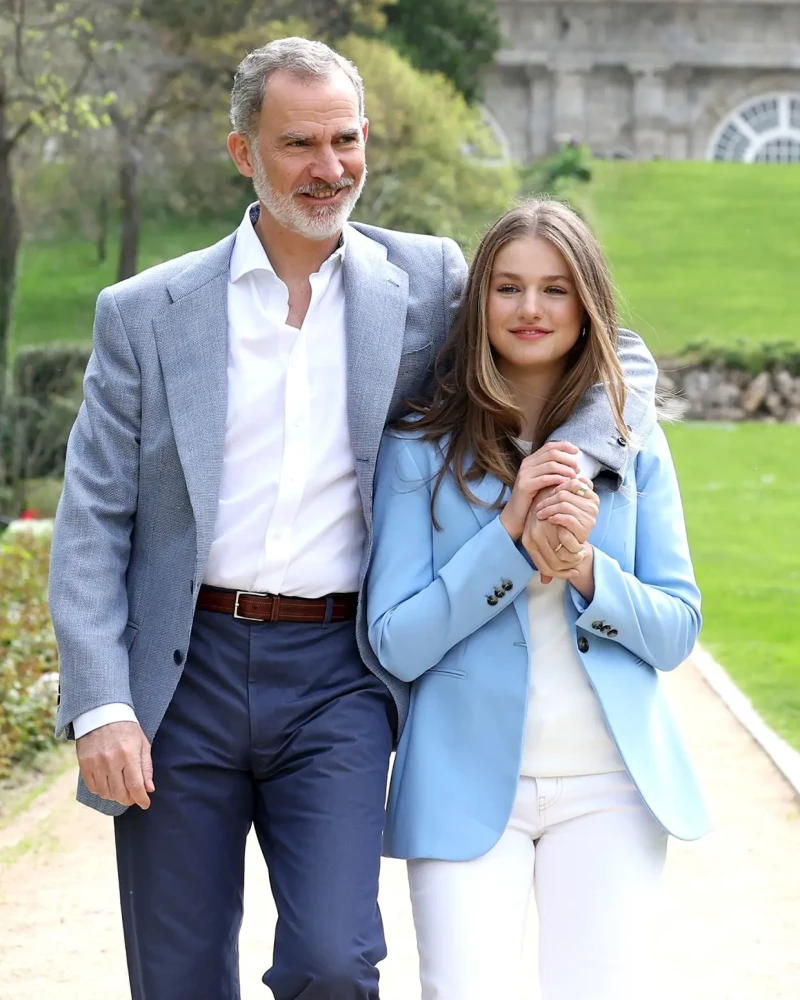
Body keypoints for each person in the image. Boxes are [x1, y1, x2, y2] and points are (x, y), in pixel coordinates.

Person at [49, 36, 659, 1000]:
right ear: (242, 152)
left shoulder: (424, 281)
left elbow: (610, 345)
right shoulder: (145, 312)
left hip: (339, 677)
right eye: (299, 144)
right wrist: (102, 705)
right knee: (176, 977)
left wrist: (567, 461)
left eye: (345, 139)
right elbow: (91, 523)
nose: (329, 168)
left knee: (334, 963)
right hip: (182, 672)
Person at [367, 199, 712, 1000]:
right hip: (462, 786)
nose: (530, 310)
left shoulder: (635, 442)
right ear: (478, 301)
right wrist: (513, 542)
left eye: (555, 290)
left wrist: (586, 567)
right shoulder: (417, 446)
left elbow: (677, 630)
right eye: (509, 288)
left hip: (612, 790)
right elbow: (395, 640)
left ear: (587, 304)